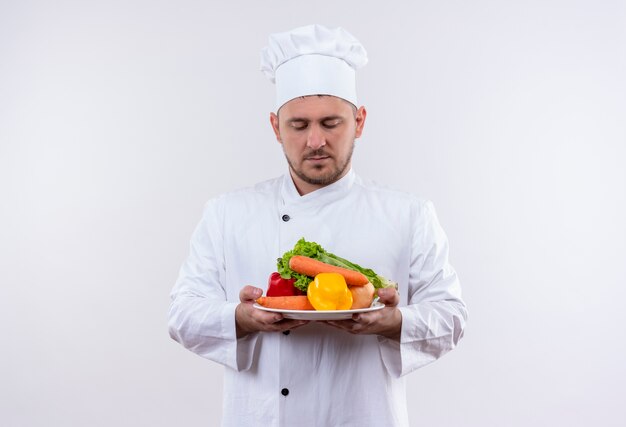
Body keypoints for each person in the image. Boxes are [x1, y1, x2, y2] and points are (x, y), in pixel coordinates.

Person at [168, 24, 467, 427]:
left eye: (331, 123)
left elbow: (451, 315)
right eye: (298, 125)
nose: (315, 141)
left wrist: (396, 322)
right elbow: (183, 314)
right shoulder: (227, 213)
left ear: (359, 121)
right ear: (275, 127)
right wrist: (240, 317)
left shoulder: (408, 214)